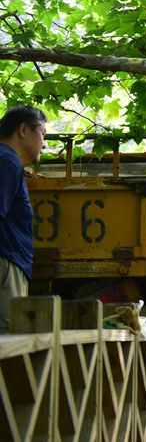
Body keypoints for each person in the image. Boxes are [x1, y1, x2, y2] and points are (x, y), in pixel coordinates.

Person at [0, 105, 47, 333]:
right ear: (23, 130)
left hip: (9, 263)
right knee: (8, 346)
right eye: (43, 134)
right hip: (6, 265)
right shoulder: (7, 161)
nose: (44, 144)